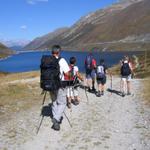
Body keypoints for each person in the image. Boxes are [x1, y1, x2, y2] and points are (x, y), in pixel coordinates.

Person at [51, 45, 70, 131]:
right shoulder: (61, 60)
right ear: (59, 52)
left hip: (50, 85)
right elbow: (67, 73)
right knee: (62, 103)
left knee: (54, 102)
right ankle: (56, 118)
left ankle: (56, 121)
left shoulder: (47, 60)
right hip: (60, 85)